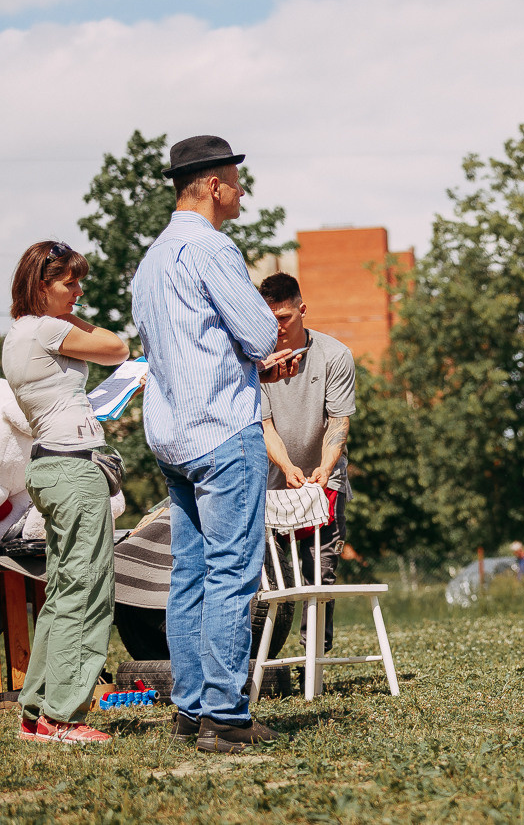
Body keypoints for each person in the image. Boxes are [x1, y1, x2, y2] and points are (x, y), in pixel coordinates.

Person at [131, 135, 298, 752]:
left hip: (172, 435)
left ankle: (190, 706)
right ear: (210, 185)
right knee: (232, 573)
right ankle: (225, 717)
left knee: (190, 574)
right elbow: (258, 330)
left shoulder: (150, 261)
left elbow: (172, 346)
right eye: (234, 178)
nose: (241, 190)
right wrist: (259, 358)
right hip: (224, 430)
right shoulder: (213, 248)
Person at [4, 241, 129, 743]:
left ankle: (36, 712)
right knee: (88, 590)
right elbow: (117, 346)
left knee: (61, 593)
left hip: (50, 469)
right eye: (69, 283)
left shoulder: (17, 334)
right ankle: (63, 717)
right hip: (74, 471)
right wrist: (77, 322)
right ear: (40, 286)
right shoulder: (49, 328)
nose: (78, 293)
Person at [258, 272, 356, 654]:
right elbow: (264, 425)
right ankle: (259, 659)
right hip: (272, 482)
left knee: (321, 573)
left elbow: (339, 420)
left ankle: (311, 659)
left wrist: (326, 467)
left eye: (284, 317)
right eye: (269, 319)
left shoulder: (335, 355)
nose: (277, 327)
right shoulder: (258, 360)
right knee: (269, 576)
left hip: (324, 482)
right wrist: (285, 467)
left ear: (302, 310)